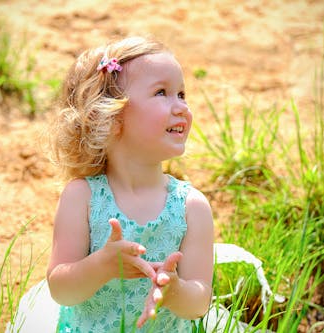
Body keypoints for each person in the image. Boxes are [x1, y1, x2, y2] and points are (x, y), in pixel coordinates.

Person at [47, 36, 214, 332]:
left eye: (182, 94)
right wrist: (101, 266)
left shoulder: (191, 207)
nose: (181, 107)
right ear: (111, 115)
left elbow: (200, 302)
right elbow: (61, 289)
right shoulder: (82, 197)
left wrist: (174, 290)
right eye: (162, 92)